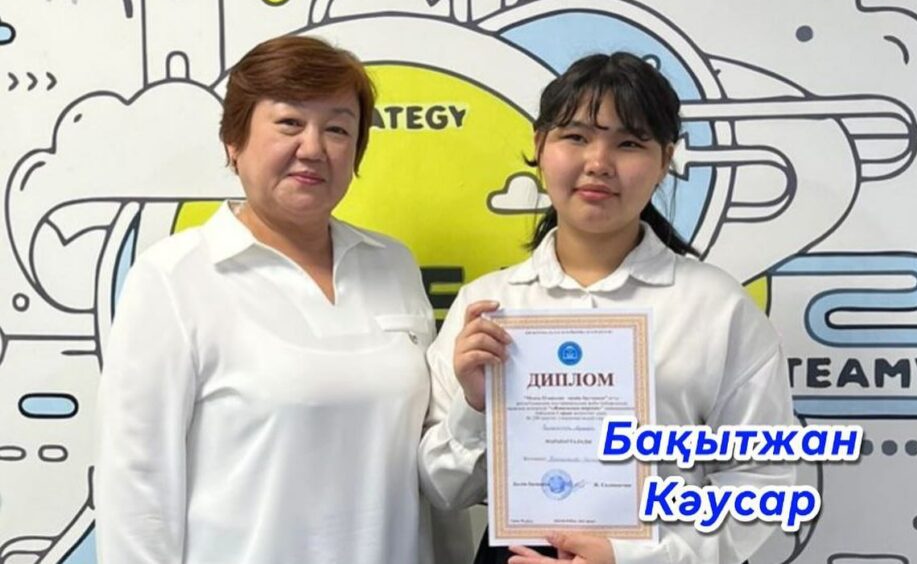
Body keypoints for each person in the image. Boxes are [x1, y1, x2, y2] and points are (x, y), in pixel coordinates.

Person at [95, 35, 470, 563]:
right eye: (290, 123)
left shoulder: (392, 265)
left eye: (337, 129)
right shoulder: (174, 278)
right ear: (234, 140)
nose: (313, 148)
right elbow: (138, 495)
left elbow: (427, 470)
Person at [418, 52, 796, 564]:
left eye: (629, 143)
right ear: (539, 146)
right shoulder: (490, 307)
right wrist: (475, 404)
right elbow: (444, 489)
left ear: (665, 160)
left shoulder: (716, 307)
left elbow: (763, 479)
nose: (598, 162)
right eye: (575, 137)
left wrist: (635, 558)